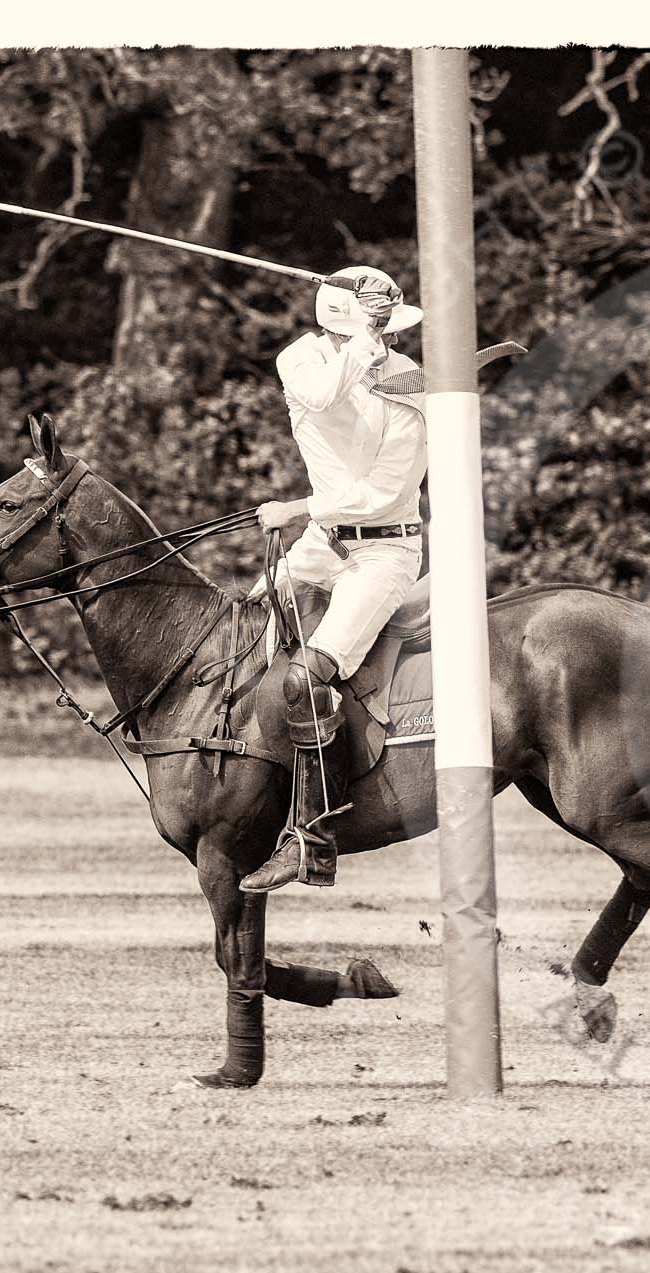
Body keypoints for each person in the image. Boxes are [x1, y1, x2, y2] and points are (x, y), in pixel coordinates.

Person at [240, 266, 429, 893]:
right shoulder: (301, 357)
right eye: (383, 330)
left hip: (385, 554)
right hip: (324, 545)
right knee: (241, 631)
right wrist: (362, 341)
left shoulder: (412, 399)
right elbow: (321, 397)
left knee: (308, 676)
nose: (391, 345)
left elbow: (380, 496)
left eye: (392, 333)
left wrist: (297, 509)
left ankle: (312, 841)